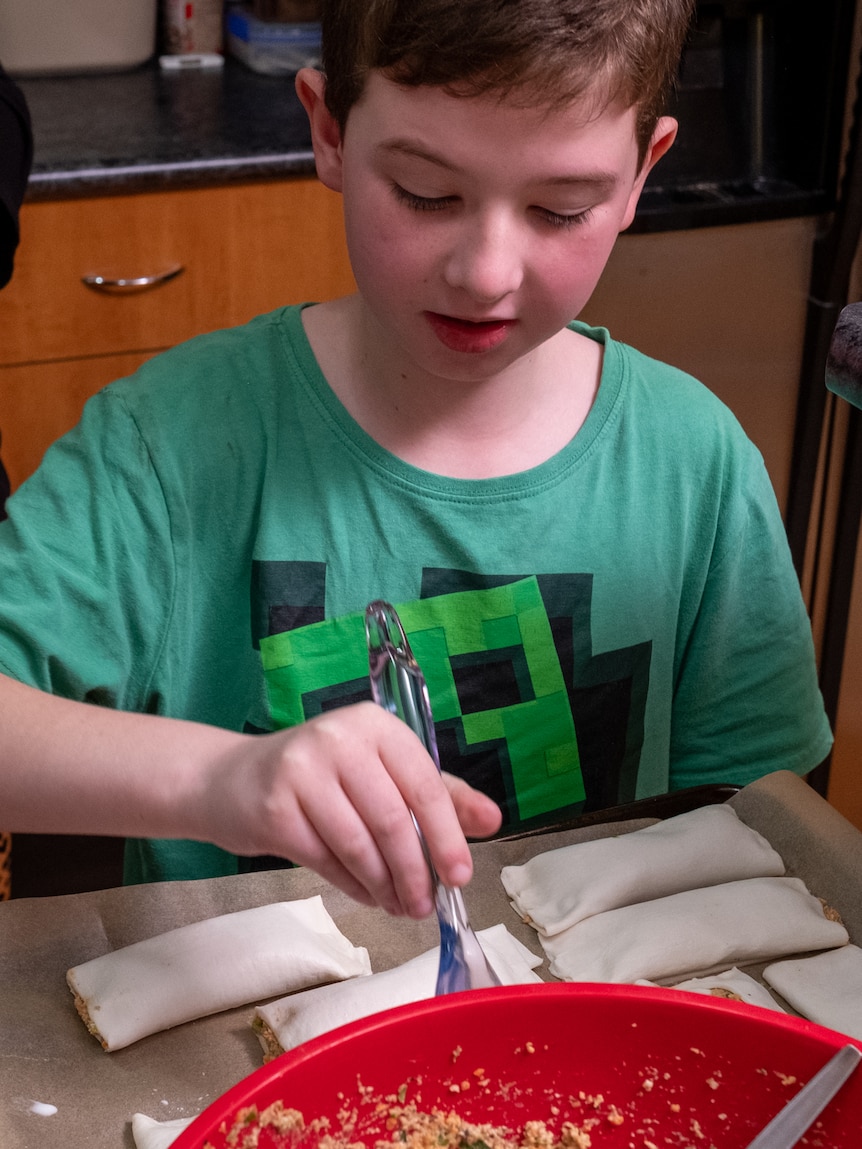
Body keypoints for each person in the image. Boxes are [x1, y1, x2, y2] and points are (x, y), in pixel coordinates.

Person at [0, 0, 831, 920]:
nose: (485, 272)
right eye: (427, 193)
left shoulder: (694, 465)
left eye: (561, 209)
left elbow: (757, 828)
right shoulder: (169, 448)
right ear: (328, 131)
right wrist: (216, 779)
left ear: (643, 173)